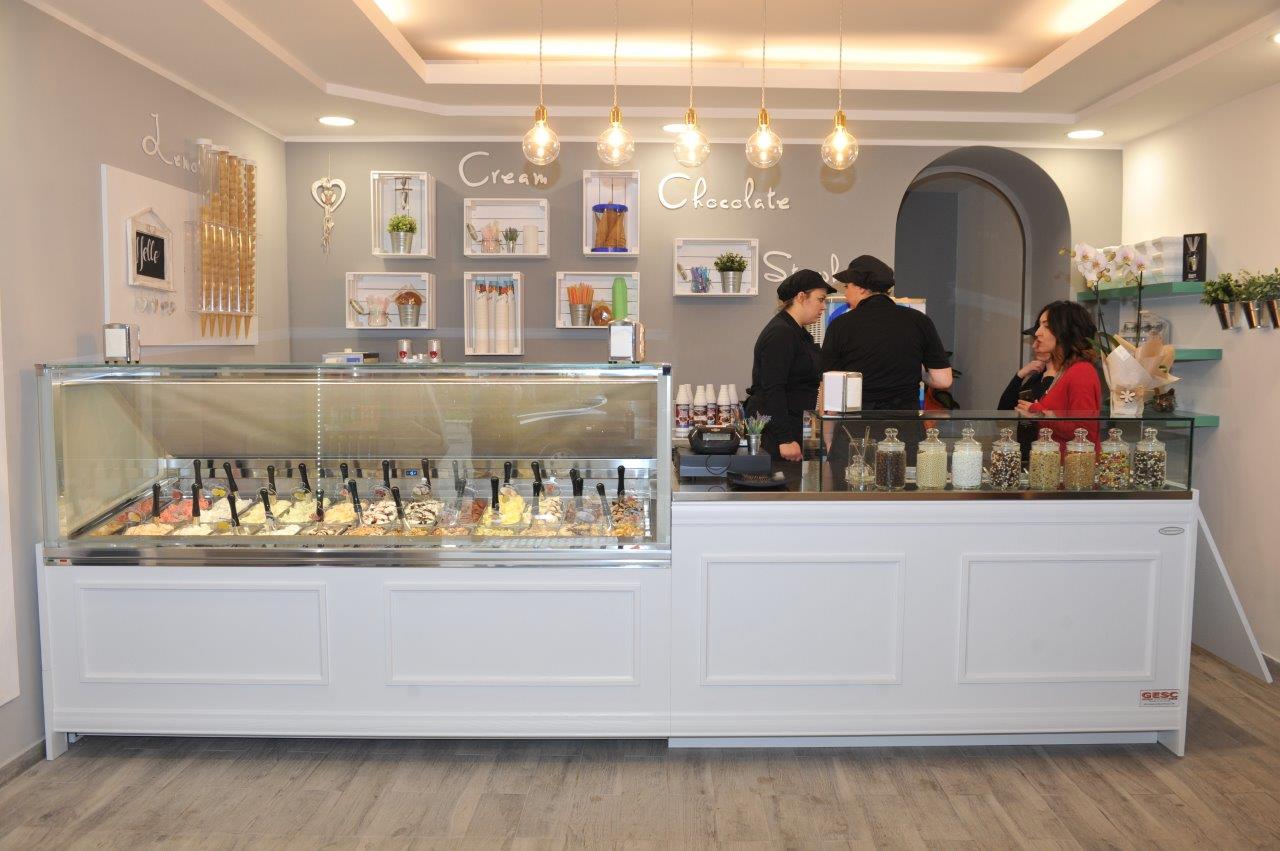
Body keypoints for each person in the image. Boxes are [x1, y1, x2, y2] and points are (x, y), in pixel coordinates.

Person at [821, 255, 953, 410]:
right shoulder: (919, 321)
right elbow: (943, 380)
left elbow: (830, 387)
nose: (846, 294)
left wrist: (827, 426)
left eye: (847, 286)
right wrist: (920, 372)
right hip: (905, 421)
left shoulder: (840, 325)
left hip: (857, 421)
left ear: (861, 288)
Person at [744, 269, 834, 461]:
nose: (824, 306)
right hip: (778, 436)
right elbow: (773, 388)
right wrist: (785, 439)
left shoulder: (799, 333)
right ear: (801, 297)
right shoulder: (781, 333)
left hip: (795, 427)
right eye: (820, 299)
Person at [1015, 300, 1102, 445]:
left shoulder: (1082, 371)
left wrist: (1039, 413)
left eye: (1047, 326)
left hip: (1070, 459)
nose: (1037, 333)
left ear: (1067, 332)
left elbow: (1084, 432)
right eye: (1039, 326)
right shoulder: (1066, 371)